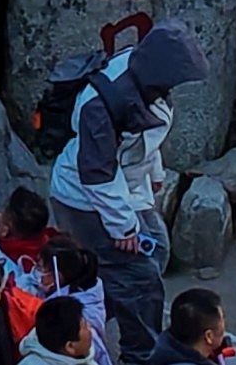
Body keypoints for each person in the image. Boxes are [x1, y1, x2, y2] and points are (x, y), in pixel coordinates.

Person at [48, 23, 204, 354]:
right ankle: (140, 354)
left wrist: (154, 171)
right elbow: (97, 173)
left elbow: (141, 135)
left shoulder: (143, 75)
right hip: (87, 198)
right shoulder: (101, 102)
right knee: (138, 279)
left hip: (125, 186)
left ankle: (98, 313)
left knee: (156, 250)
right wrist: (123, 227)